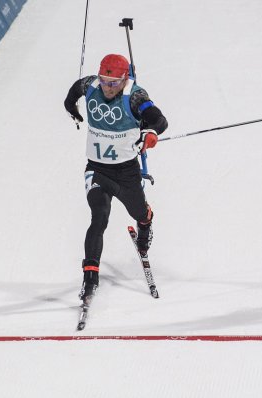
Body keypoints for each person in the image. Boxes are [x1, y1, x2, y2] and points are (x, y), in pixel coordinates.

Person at [63, 54, 168, 300]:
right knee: (99, 217)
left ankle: (146, 222)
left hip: (126, 172)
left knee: (139, 213)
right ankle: (90, 277)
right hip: (97, 169)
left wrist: (151, 132)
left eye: (114, 83)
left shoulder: (134, 96)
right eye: (105, 81)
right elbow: (73, 91)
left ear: (124, 79)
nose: (108, 88)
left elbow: (158, 118)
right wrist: (72, 110)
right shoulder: (91, 85)